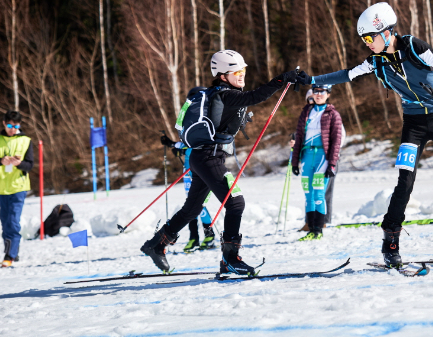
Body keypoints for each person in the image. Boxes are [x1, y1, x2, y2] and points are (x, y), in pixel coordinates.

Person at [295, 2, 433, 267]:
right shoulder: (376, 62)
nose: (367, 43)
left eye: (370, 37)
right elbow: (347, 74)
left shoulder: (414, 47)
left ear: (387, 33)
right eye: (364, 39)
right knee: (406, 181)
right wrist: (312, 80)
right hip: (413, 122)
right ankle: (390, 241)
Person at [140, 50, 302, 274]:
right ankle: (230, 258)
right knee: (236, 203)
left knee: (192, 208)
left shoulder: (222, 95)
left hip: (203, 157)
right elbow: (256, 96)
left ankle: (156, 245)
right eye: (236, 71)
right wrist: (282, 79)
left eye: (243, 70)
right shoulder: (224, 94)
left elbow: (233, 113)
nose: (242, 74)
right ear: (222, 74)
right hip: (208, 157)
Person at [290, 84, 344, 240]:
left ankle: (318, 230)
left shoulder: (333, 114)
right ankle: (311, 228)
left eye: (322, 92)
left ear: (328, 94)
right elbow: (299, 137)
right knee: (308, 194)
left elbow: (336, 141)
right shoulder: (306, 112)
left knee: (319, 193)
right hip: (307, 155)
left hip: (322, 157)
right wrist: (295, 162)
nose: (318, 94)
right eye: (316, 92)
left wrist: (332, 164)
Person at [0, 110, 34, 268]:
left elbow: (30, 165)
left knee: (13, 221)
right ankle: (13, 250)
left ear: (19, 125)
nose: (12, 128)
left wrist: (19, 164)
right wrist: (0, 161)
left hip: (19, 187)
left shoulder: (26, 141)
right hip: (1, 188)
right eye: (9, 125)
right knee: (5, 222)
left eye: (16, 125)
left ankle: (10, 255)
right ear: (4, 124)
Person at [160, 130, 216, 253]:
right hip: (187, 174)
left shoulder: (203, 132)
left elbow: (198, 146)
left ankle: (209, 236)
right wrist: (171, 144)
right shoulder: (189, 133)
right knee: (190, 204)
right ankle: (194, 238)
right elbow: (185, 145)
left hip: (199, 172)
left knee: (200, 204)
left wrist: (184, 149)